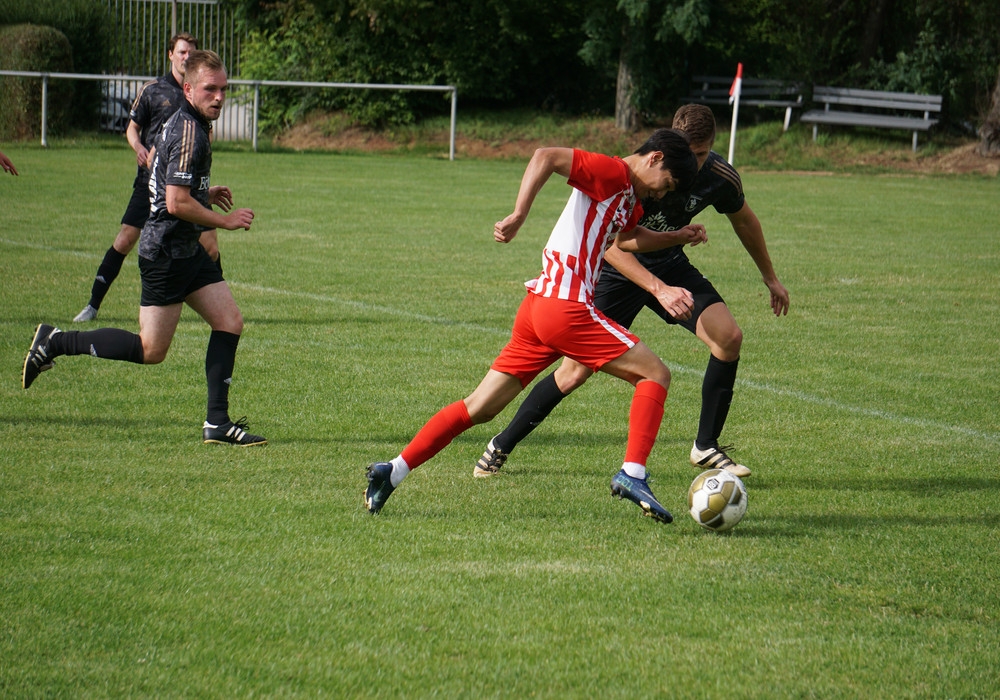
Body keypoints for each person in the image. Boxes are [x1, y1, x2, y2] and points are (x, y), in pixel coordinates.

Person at [364, 129, 704, 519]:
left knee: (480, 407)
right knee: (655, 374)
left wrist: (676, 235)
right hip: (565, 306)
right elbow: (546, 156)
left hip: (539, 308)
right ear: (655, 158)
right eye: (667, 184)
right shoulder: (611, 171)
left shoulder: (629, 195)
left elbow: (626, 239)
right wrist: (519, 214)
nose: (662, 195)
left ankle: (392, 472)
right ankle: (632, 473)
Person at [475, 104, 790, 480]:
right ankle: (502, 443)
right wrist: (658, 289)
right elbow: (613, 242)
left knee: (728, 337)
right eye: (688, 153)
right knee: (574, 372)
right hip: (617, 273)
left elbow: (745, 220)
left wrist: (769, 277)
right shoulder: (640, 171)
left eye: (702, 155)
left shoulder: (718, 176)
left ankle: (705, 446)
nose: (693, 164)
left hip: (670, 266)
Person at [23, 50, 266, 447]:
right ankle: (56, 341)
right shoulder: (189, 129)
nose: (219, 96)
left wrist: (206, 190)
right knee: (151, 350)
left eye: (224, 88)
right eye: (211, 89)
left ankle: (216, 424)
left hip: (186, 250)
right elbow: (174, 203)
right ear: (188, 88)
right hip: (167, 253)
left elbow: (175, 185)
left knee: (229, 322)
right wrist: (224, 219)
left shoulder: (193, 123)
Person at [73, 33, 224, 323]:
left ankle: (216, 303)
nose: (186, 57)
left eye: (191, 52)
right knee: (126, 239)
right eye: (181, 52)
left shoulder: (202, 95)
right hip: (150, 184)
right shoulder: (153, 90)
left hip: (185, 184)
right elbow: (132, 128)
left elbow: (203, 139)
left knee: (211, 244)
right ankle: (93, 304)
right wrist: (140, 148)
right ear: (171, 55)